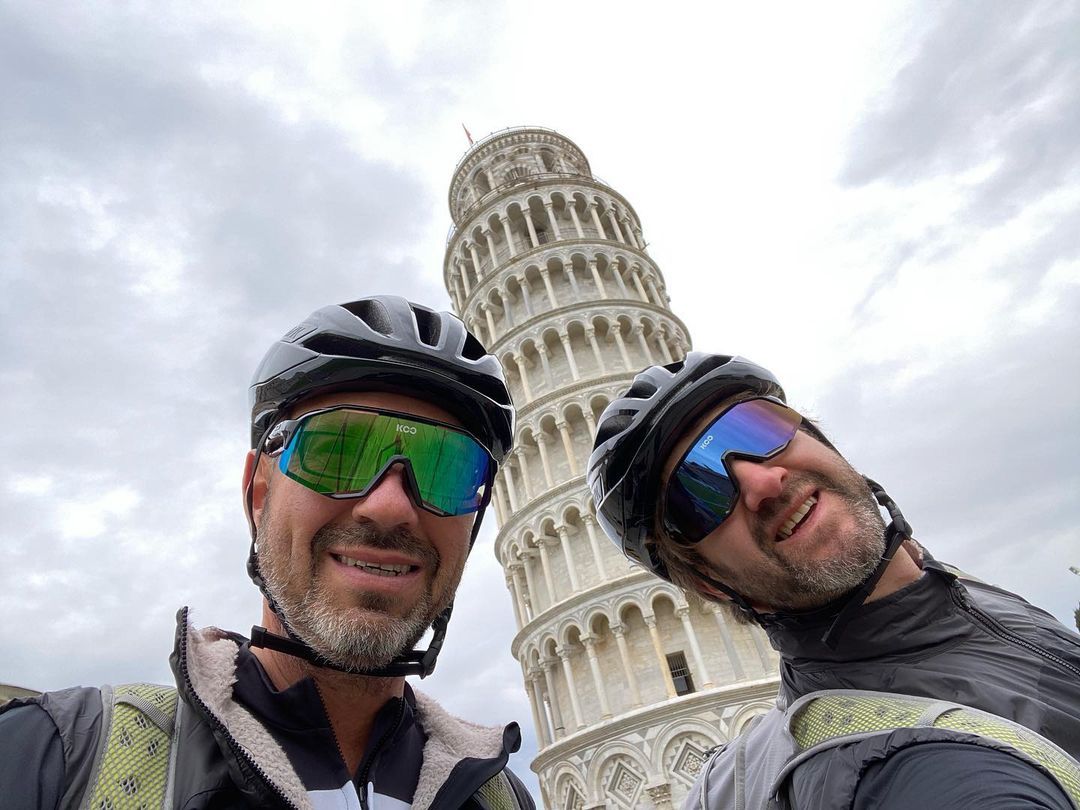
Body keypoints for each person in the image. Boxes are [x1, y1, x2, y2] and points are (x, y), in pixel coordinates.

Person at [0, 296, 535, 810]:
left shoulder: (498, 798)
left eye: (448, 469)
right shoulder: (54, 758)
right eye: (338, 451)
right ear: (258, 495)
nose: (390, 506)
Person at [587, 352, 1080, 809]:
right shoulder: (884, 766)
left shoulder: (969, 597)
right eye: (700, 494)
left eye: (757, 430)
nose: (763, 483)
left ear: (818, 439)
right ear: (710, 583)